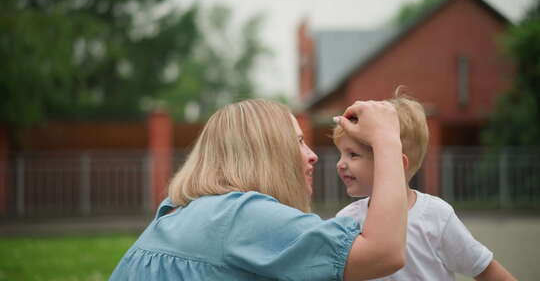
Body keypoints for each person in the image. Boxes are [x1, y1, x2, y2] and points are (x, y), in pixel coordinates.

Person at [110, 98, 408, 281]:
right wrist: (386, 140)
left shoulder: (179, 212)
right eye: (298, 142)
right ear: (265, 152)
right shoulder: (240, 216)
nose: (312, 155)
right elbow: (383, 253)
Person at [334, 93, 516, 281]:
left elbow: (483, 268)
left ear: (395, 162)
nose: (340, 164)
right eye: (341, 154)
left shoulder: (436, 216)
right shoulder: (345, 220)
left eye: (353, 155)